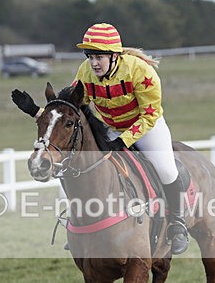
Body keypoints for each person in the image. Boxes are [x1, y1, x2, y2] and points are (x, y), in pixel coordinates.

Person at [12, 22, 188, 254]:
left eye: (99, 57)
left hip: (147, 127)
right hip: (110, 127)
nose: (93, 63)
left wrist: (124, 140)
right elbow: (69, 108)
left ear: (114, 55)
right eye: (90, 56)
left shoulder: (141, 72)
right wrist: (37, 111)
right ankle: (83, 226)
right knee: (78, 164)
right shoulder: (85, 71)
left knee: (166, 169)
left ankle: (177, 224)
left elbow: (150, 114)